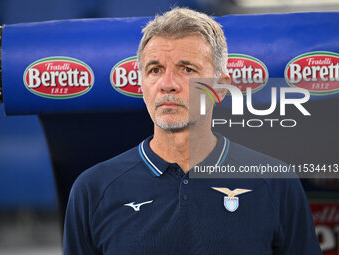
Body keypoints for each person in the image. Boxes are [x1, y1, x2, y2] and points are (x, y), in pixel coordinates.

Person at [63, 7, 322, 255]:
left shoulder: (276, 184)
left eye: (187, 69)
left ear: (221, 87)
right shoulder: (93, 189)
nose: (168, 84)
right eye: (155, 70)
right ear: (142, 84)